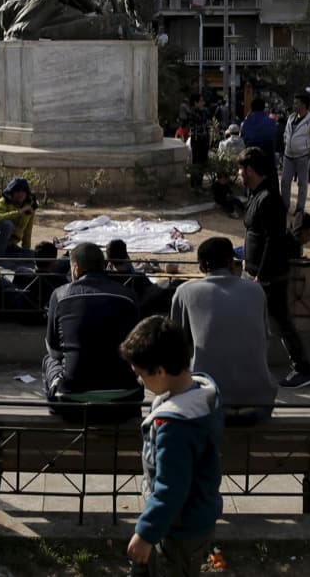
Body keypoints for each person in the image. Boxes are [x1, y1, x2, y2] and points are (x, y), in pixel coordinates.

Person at [120, 315, 223, 577]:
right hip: (197, 516)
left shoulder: (175, 426)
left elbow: (171, 489)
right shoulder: (203, 397)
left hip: (179, 528)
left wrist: (145, 533)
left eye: (141, 375)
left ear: (160, 371)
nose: (141, 382)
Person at [171, 237, 276, 424]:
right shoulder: (256, 291)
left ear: (202, 266)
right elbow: (265, 339)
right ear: (231, 262)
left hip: (206, 406)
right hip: (259, 405)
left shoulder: (185, 292)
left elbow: (177, 348)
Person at [238, 147, 310, 389]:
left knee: (281, 323)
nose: (239, 173)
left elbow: (273, 240)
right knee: (261, 323)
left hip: (269, 276)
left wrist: (261, 274)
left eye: (241, 169)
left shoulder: (269, 198)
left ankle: (302, 368)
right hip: (256, 273)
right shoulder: (256, 194)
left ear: (250, 170)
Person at [43, 242, 143, 423]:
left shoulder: (60, 295)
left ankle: (55, 412)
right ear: (104, 265)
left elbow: (54, 350)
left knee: (48, 360)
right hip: (126, 401)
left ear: (75, 268)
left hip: (72, 403)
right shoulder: (128, 295)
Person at [277, 94, 310, 218]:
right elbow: (286, 133)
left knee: (302, 183)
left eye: (296, 103)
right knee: (285, 181)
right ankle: (285, 205)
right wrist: (286, 141)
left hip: (303, 156)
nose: (294, 105)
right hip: (288, 155)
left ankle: (299, 209)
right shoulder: (291, 118)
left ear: (303, 105)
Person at [0, 177, 36, 258]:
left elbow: (27, 233)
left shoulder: (29, 208)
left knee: (33, 254)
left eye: (23, 191)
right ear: (12, 192)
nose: (20, 194)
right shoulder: (3, 201)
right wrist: (19, 212)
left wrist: (26, 251)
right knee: (7, 224)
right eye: (17, 191)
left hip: (10, 245)